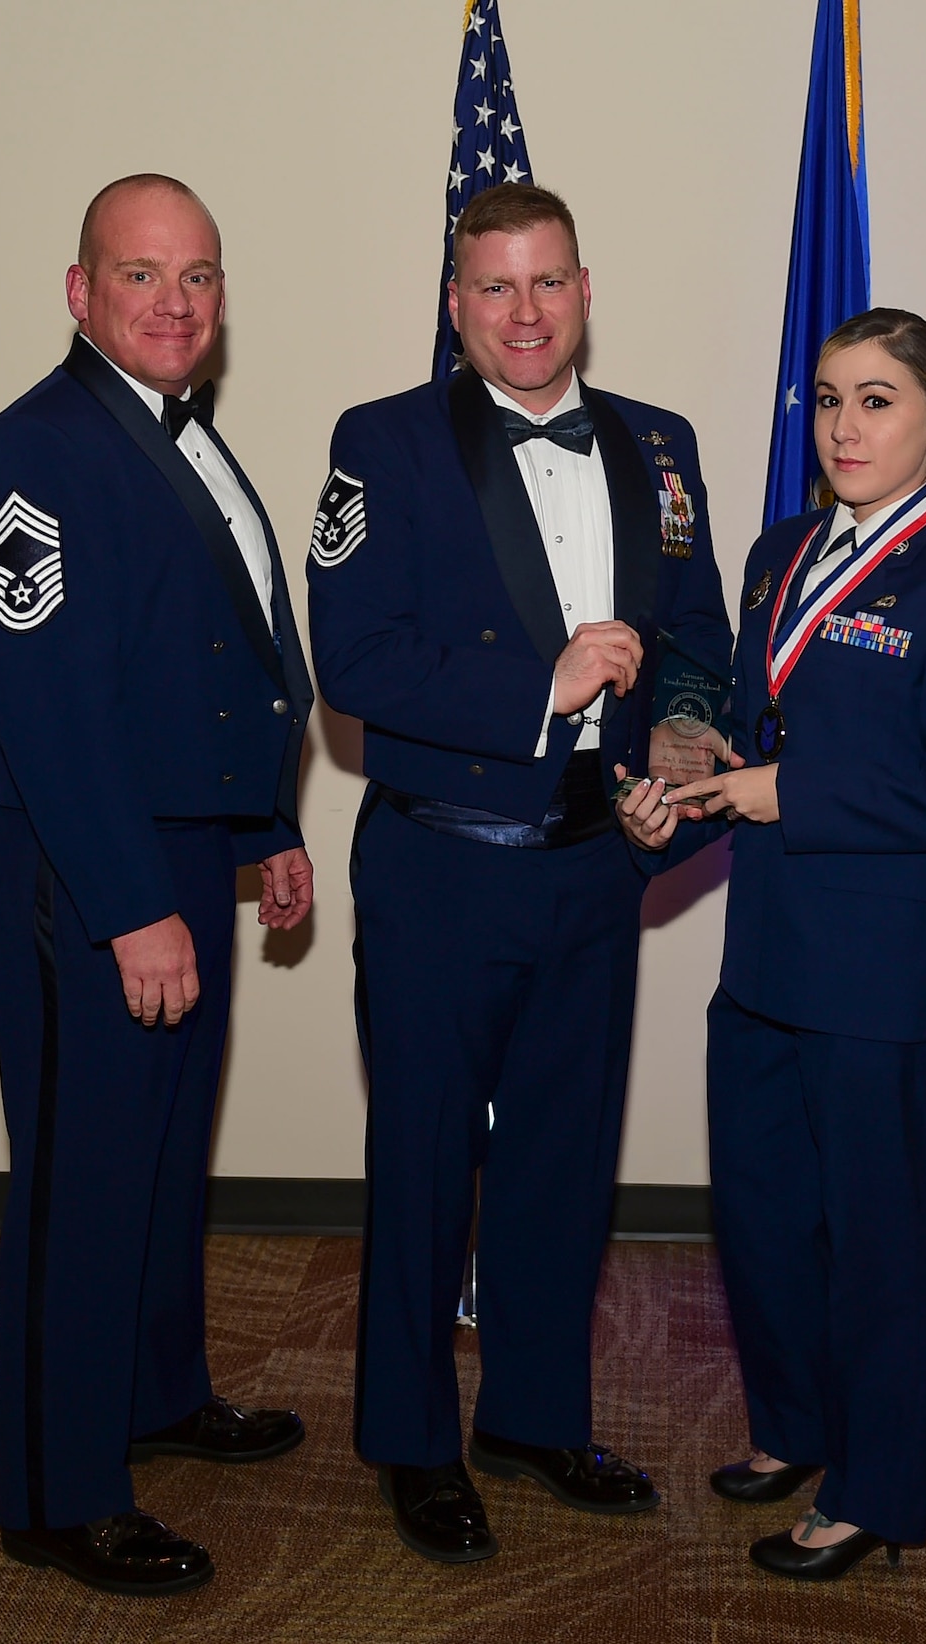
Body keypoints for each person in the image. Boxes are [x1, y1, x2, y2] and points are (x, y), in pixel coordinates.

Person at [305, 183, 733, 1564]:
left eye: (547, 283)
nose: (526, 312)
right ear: (454, 303)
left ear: (585, 288)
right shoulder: (382, 442)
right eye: (494, 287)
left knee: (562, 1162)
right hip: (441, 867)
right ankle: (415, 1442)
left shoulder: (658, 446)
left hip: (597, 869)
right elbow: (353, 663)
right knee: (426, 1166)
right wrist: (535, 687)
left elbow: (693, 646)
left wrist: (677, 755)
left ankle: (535, 1415)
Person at [620, 308, 926, 1580]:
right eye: (827, 399)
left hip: (880, 979)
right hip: (766, 959)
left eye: (876, 401)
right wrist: (679, 799)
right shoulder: (776, 553)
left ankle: (874, 1488)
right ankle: (795, 1428)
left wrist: (785, 795)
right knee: (759, 1221)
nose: (844, 427)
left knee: (878, 1241)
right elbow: (756, 747)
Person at [0, 174, 315, 1598]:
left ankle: (158, 1395)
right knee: (83, 1188)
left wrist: (259, 830)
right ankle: (54, 1488)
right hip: (80, 872)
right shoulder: (35, 451)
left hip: (179, 853)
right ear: (79, 290)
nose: (174, 303)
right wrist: (128, 902)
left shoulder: (186, 440)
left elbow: (215, 664)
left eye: (199, 277)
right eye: (140, 274)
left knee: (166, 1170)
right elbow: (53, 711)